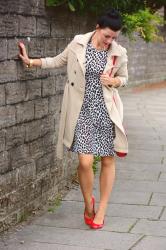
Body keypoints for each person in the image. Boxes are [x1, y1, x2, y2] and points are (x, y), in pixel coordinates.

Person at [18, 8, 128, 229]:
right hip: (82, 112)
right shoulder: (78, 43)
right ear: (97, 27)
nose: (109, 41)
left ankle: (102, 209)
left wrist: (114, 82)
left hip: (106, 112)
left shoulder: (119, 52)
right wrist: (30, 61)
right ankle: (89, 204)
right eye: (107, 35)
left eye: (113, 38)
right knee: (85, 162)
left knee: (107, 160)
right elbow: (57, 61)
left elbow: (124, 78)